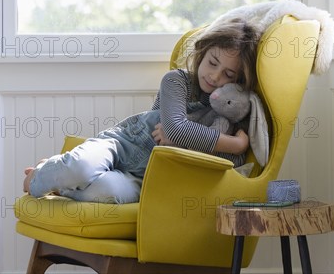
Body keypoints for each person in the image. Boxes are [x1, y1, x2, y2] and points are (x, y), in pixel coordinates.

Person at [22, 18, 260, 204]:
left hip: (143, 177)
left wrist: (184, 143)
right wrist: (235, 144)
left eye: (228, 75)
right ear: (202, 53)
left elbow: (228, 162)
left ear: (238, 81)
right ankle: (39, 177)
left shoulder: (229, 111)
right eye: (212, 63)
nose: (215, 76)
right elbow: (177, 130)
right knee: (81, 167)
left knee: (106, 194)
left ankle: (60, 179)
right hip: (122, 144)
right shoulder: (177, 81)